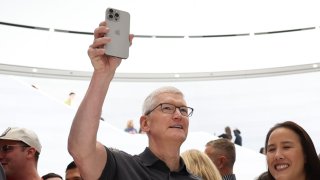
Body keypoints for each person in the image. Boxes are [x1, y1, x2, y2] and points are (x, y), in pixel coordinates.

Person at [67, 21, 200, 180]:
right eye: (167, 108)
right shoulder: (121, 167)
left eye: (184, 110)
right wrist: (103, 73)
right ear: (145, 123)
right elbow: (80, 148)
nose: (178, 115)